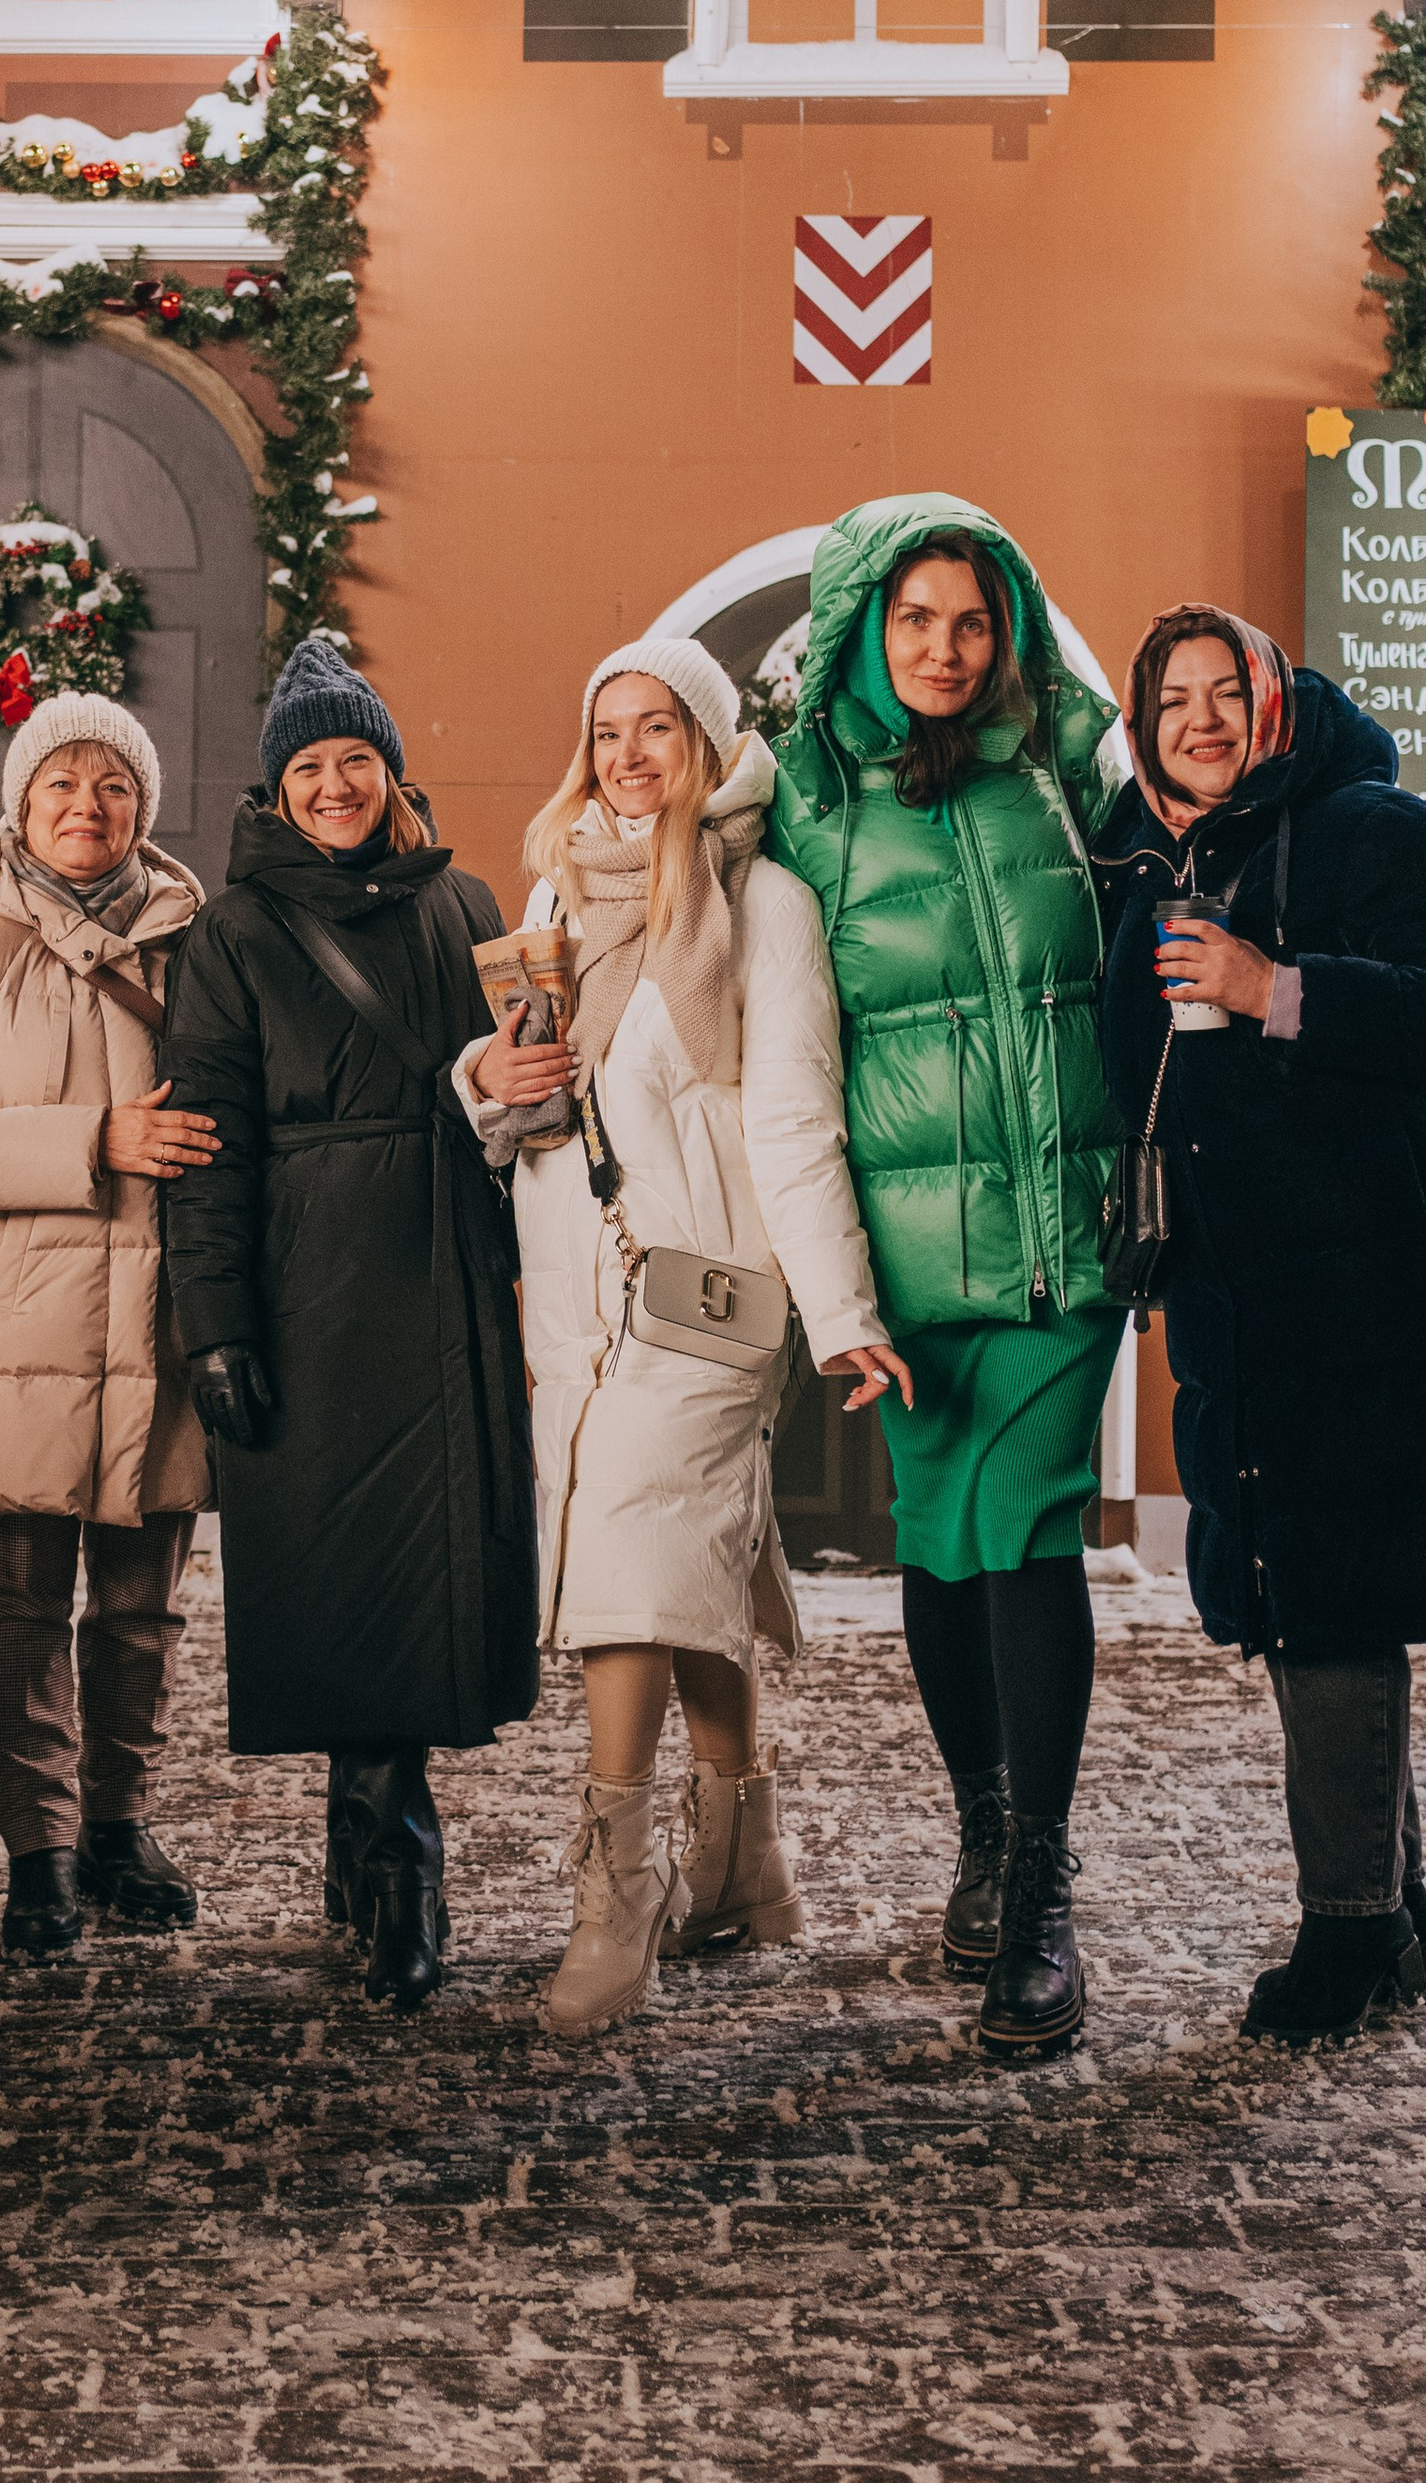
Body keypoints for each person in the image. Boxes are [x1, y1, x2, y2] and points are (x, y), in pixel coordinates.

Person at [1097, 605, 1426, 2045]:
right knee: (1306, 1591)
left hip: (1368, 1296)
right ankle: (1394, 1913)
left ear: (1275, 701)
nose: (1199, 722)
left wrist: (1273, 990)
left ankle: (1348, 1927)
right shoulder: (1155, 857)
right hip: (1241, 1294)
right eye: (1171, 702)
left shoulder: (1378, 830)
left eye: (1223, 693)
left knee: (1334, 1597)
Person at [462, 637, 910, 2038]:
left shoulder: (762, 903)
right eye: (608, 732)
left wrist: (840, 1312)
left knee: (628, 1569)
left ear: (709, 746)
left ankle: (619, 1890)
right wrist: (488, 1075)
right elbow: (536, 1100)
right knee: (677, 1556)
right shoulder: (558, 890)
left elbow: (794, 1115)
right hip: (580, 1294)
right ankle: (741, 1864)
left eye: (658, 728)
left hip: (710, 1295)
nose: (628, 756)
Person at [767, 498, 1125, 2064]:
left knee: (1029, 1528)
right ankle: (980, 1821)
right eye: (915, 618)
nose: (945, 647)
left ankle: (1039, 1881)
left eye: (973, 622)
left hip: (1063, 1247)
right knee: (942, 1539)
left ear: (1009, 634)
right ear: (866, 629)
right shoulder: (803, 810)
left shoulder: (1068, 779)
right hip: (911, 1268)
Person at [160, 638, 537, 2013]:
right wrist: (214, 1324)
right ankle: (395, 1867)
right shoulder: (233, 932)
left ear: (391, 773)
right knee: (348, 1585)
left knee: (428, 1582)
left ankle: (376, 1853)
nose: (335, 785)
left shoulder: (465, 903)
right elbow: (207, 1137)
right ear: (278, 789)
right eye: (310, 766)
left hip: (444, 1275)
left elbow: (516, 1091)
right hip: (307, 1287)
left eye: (355, 760)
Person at [0, 696, 213, 1961]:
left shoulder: (193, 945)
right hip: (10, 1328)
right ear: (20, 804)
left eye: (113, 785)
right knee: (18, 1603)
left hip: (156, 1326)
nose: (87, 805)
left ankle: (120, 1826)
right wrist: (91, 1141)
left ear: (143, 809)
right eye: (61, 783)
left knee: (142, 1609)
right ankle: (41, 1849)